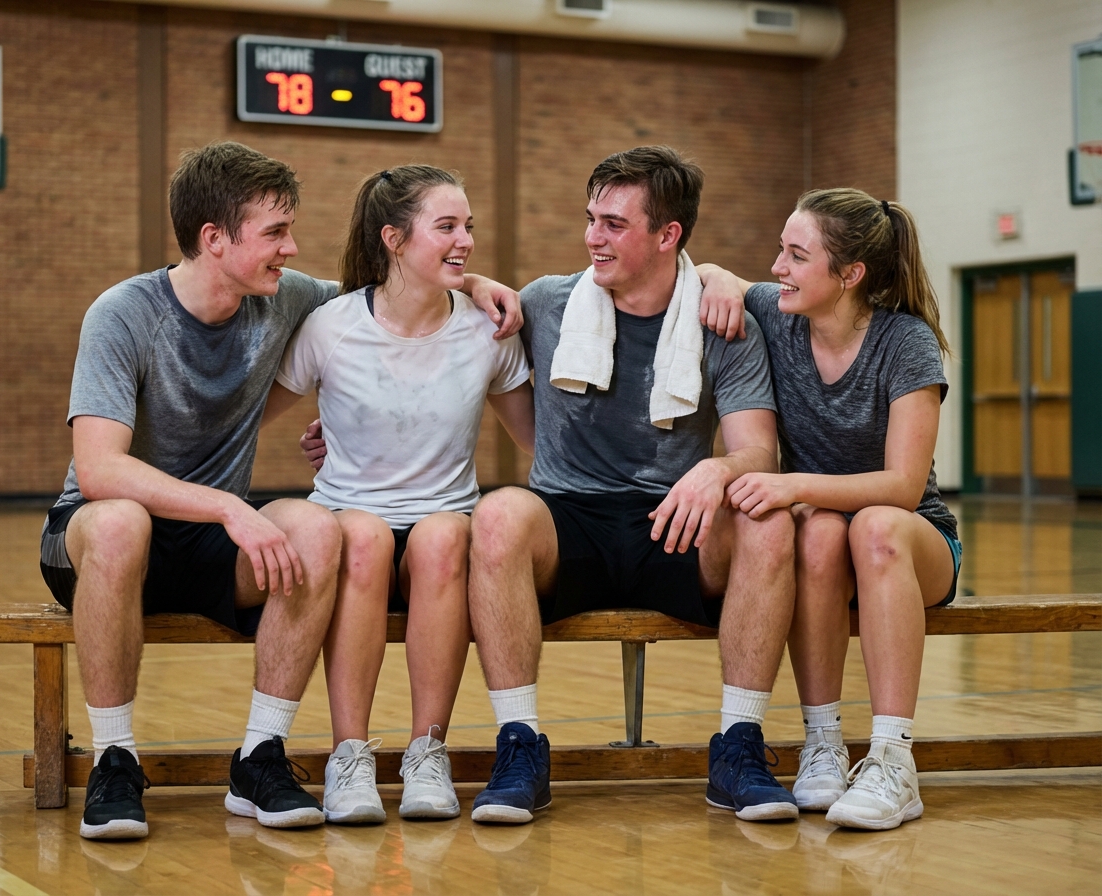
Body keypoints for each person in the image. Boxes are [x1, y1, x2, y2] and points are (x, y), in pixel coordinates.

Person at [39, 142, 522, 840]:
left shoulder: (285, 297)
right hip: (92, 537)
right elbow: (100, 472)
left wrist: (474, 284)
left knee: (317, 529)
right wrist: (231, 507)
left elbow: (395, 290)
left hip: (214, 541)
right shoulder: (123, 312)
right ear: (215, 238)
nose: (290, 249)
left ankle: (260, 754)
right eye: (275, 233)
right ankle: (115, 760)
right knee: (120, 524)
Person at [464, 145, 799, 825]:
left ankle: (738, 748)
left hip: (675, 521)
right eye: (591, 218)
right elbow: (433, 318)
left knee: (768, 521)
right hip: (569, 520)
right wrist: (471, 283)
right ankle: (520, 748)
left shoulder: (721, 319)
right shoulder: (547, 302)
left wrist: (718, 469)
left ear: (667, 234)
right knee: (497, 514)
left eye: (614, 224)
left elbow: (758, 451)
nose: (594, 236)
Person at [267, 165, 534, 824]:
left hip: (440, 531)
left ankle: (427, 752)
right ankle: (349, 756)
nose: (465, 240)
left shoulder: (486, 328)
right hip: (348, 527)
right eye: (446, 226)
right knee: (362, 537)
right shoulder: (330, 326)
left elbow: (540, 441)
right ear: (393, 238)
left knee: (443, 538)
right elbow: (247, 416)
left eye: (468, 226)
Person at [701, 188, 960, 831]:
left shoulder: (907, 342)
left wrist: (794, 485)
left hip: (912, 541)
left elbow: (903, 487)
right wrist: (721, 281)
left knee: (871, 526)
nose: (778, 267)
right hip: (828, 536)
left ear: (850, 274)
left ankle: (894, 760)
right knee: (817, 533)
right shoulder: (778, 312)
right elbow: (705, 271)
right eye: (780, 251)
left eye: (796, 255)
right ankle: (823, 744)